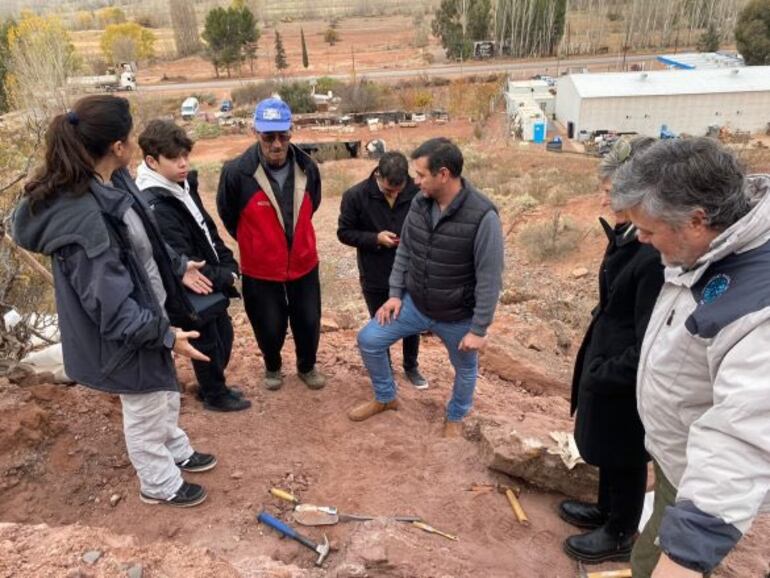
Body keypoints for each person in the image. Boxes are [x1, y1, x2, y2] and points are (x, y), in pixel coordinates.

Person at [12, 95, 217, 507]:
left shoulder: (112, 179)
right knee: (144, 405)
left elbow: (140, 240)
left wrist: (177, 265)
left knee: (162, 392)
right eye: (130, 134)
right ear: (117, 147)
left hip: (149, 314)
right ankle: (158, 484)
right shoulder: (83, 218)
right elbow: (111, 307)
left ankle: (174, 448)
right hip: (126, 333)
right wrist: (163, 334)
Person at [609, 137, 770, 578]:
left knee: (652, 562)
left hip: (705, 472)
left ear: (697, 219)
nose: (639, 237)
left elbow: (742, 437)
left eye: (647, 228)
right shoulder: (709, 247)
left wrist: (684, 555)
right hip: (677, 455)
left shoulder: (760, 305)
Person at [348, 138, 504, 437]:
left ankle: (456, 416)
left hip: (458, 315)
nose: (414, 181)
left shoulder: (484, 217)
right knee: (369, 339)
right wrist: (395, 296)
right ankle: (386, 397)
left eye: (420, 175)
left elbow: (489, 278)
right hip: (414, 305)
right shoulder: (419, 204)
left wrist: (479, 329)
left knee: (466, 368)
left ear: (443, 174)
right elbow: (405, 252)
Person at [560, 136, 664, 563]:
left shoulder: (653, 253)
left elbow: (650, 338)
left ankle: (620, 530)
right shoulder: (628, 232)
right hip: (610, 353)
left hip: (627, 369)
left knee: (626, 449)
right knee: (607, 440)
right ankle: (606, 510)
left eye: (609, 190)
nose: (603, 197)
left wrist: (609, 370)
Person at [136, 119, 251, 413]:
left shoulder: (179, 186)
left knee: (222, 334)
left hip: (207, 278)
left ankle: (211, 386)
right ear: (151, 160)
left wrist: (227, 260)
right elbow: (183, 258)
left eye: (186, 156)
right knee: (209, 340)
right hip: (187, 287)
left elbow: (205, 229)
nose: (184, 163)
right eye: (175, 159)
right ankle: (214, 394)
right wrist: (223, 274)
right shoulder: (155, 204)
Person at [217, 97, 325, 392]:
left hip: (304, 263)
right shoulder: (236, 172)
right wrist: (258, 243)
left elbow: (312, 205)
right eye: (268, 137)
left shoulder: (308, 168)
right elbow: (228, 215)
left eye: (283, 136)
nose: (276, 144)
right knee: (268, 323)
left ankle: (306, 366)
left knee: (308, 319)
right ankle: (273, 365)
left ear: (291, 132)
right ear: (256, 133)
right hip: (260, 269)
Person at [337, 151, 428, 389]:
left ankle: (411, 367)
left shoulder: (417, 192)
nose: (395, 194)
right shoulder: (355, 196)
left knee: (412, 323)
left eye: (399, 190)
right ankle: (386, 368)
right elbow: (344, 232)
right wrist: (375, 238)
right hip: (375, 272)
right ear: (378, 174)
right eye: (389, 190)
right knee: (380, 323)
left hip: (411, 272)